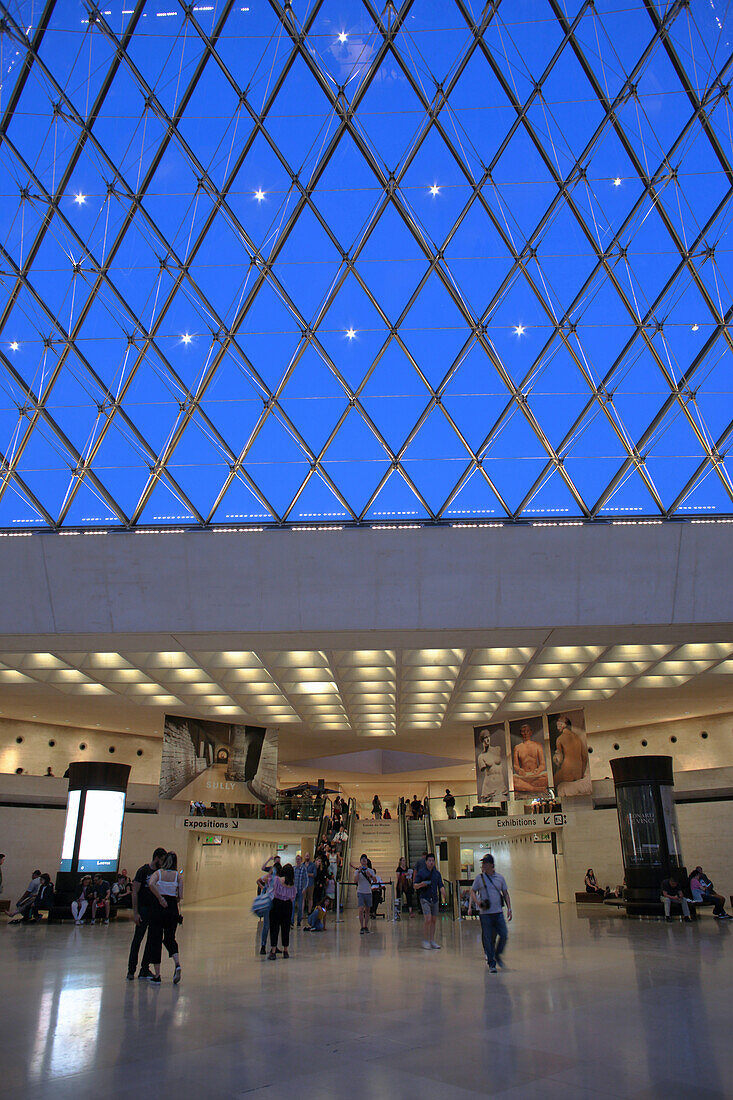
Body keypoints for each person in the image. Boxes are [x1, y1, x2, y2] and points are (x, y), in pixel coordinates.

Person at [128, 847, 167, 980]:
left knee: (151, 941)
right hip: (143, 910)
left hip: (155, 911)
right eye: (161, 860)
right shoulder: (143, 871)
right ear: (156, 858)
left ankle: (145, 969)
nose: (162, 863)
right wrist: (136, 913)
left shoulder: (160, 873)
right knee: (137, 940)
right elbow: (135, 892)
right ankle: (131, 970)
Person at [468, 854, 512, 972]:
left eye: (486, 863)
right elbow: (472, 891)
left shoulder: (500, 878)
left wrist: (509, 908)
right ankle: (491, 963)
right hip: (485, 914)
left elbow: (505, 893)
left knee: (503, 934)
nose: (483, 865)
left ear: (492, 865)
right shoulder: (479, 878)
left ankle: (497, 954)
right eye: (483, 863)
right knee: (487, 938)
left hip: (498, 913)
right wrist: (477, 902)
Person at [147, 851, 183, 984]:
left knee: (155, 939)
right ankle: (177, 963)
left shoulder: (158, 873)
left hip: (159, 908)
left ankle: (157, 975)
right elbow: (180, 895)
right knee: (170, 938)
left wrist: (160, 898)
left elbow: (151, 884)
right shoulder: (178, 876)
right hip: (172, 908)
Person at [552, 715, 592, 796]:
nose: (557, 727)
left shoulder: (560, 739)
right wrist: (581, 773)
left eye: (558, 725)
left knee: (550, 782)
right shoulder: (578, 738)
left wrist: (555, 759)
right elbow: (584, 757)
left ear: (563, 725)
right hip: (578, 773)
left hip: (566, 772)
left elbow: (559, 759)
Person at [414, 853, 446, 949]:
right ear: (426, 862)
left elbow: (440, 885)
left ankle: (432, 940)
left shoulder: (437, 873)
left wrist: (443, 891)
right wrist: (421, 885)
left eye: (433, 861)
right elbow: (415, 885)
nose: (431, 863)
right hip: (425, 898)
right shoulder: (421, 873)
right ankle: (426, 940)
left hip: (434, 899)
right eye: (429, 861)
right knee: (427, 919)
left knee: (433, 920)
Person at [269, 863, 296, 959]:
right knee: (285, 928)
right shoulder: (292, 884)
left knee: (274, 928)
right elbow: (293, 897)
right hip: (287, 906)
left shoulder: (277, 880)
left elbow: (271, 887)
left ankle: (273, 951)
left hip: (276, 904)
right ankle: (285, 950)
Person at [512, 725, 549, 792]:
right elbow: (516, 765)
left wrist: (538, 770)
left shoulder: (537, 745)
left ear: (531, 732)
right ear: (521, 733)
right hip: (524, 775)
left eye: (527, 731)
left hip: (535, 774)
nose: (525, 733)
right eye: (523, 731)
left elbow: (542, 764)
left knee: (547, 776)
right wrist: (519, 770)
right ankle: (534, 789)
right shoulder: (517, 747)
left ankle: (526, 787)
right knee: (513, 779)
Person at [257, 855, 281, 955]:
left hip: (273, 902)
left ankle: (271, 946)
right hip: (269, 902)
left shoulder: (274, 878)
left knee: (270, 926)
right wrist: (263, 888)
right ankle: (265, 946)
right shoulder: (270, 877)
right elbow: (258, 880)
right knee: (268, 926)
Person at [477, 729, 508, 802]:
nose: (487, 739)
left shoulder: (497, 750)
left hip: (500, 785)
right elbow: (483, 769)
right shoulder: (481, 757)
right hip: (488, 787)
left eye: (488, 737)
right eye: (485, 737)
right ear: (482, 740)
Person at [354, 854, 377, 934]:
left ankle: (366, 926)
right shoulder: (357, 871)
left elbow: (375, 880)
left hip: (368, 892)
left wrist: (369, 875)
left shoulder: (370, 870)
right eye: (362, 859)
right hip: (360, 891)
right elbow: (355, 881)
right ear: (360, 861)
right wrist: (359, 872)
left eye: (365, 859)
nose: (363, 861)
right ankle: (361, 927)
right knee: (361, 910)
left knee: (367, 910)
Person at [292, 853, 308, 928]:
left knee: (300, 906)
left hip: (300, 889)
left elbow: (306, 879)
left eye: (299, 860)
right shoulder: (293, 868)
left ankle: (299, 921)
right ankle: (291, 921)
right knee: (292, 906)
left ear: (301, 860)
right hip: (294, 890)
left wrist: (304, 888)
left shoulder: (303, 868)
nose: (298, 861)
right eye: (297, 859)